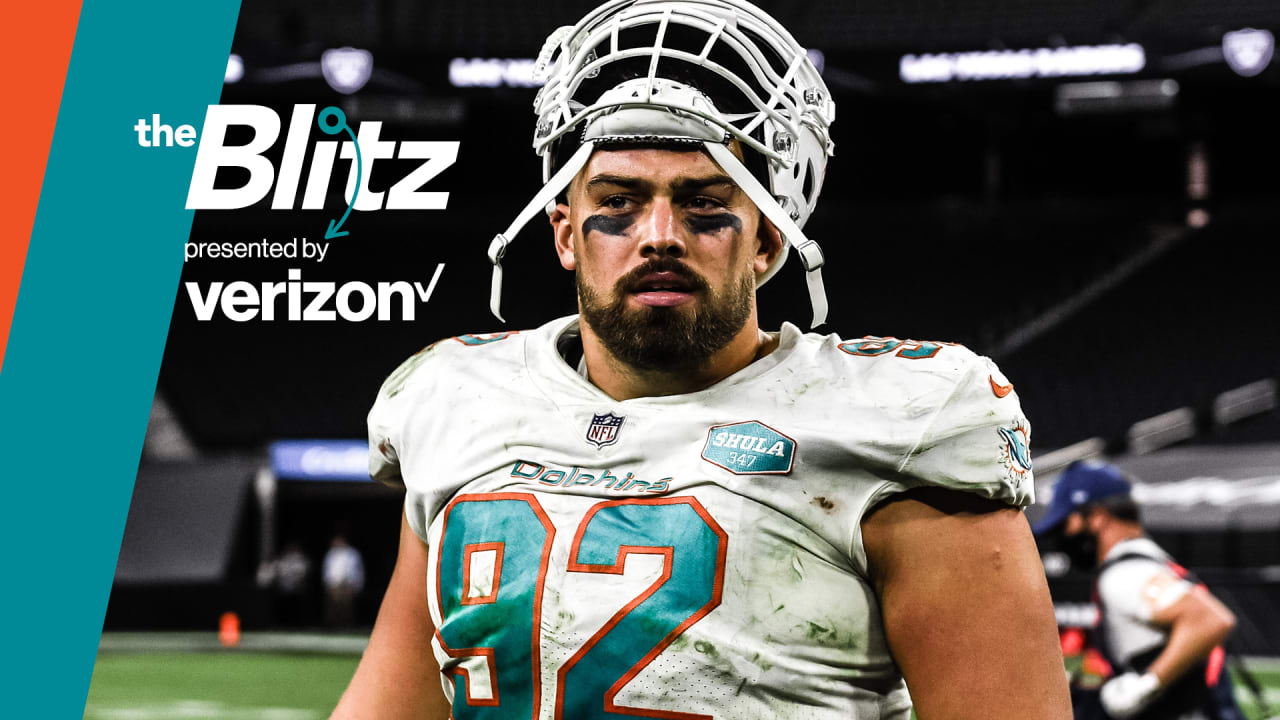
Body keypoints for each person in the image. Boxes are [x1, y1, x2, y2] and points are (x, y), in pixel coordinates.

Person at [333, 1, 1070, 717]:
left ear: (768, 241)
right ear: (563, 234)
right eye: (618, 202)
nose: (659, 235)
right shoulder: (457, 400)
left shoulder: (905, 421)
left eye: (705, 205)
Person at [1032, 460, 1243, 720]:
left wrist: (1144, 687)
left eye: (1067, 524)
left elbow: (1211, 620)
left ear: (1097, 518)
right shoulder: (1146, 558)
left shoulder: (1124, 574)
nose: (1064, 536)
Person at [323, 534, 366, 629]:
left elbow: (358, 570)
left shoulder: (353, 554)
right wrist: (327, 583)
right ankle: (333, 626)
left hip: (348, 584)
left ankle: (347, 625)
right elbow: (327, 569)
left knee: (347, 606)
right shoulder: (331, 554)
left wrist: (358, 584)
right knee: (334, 606)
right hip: (334, 584)